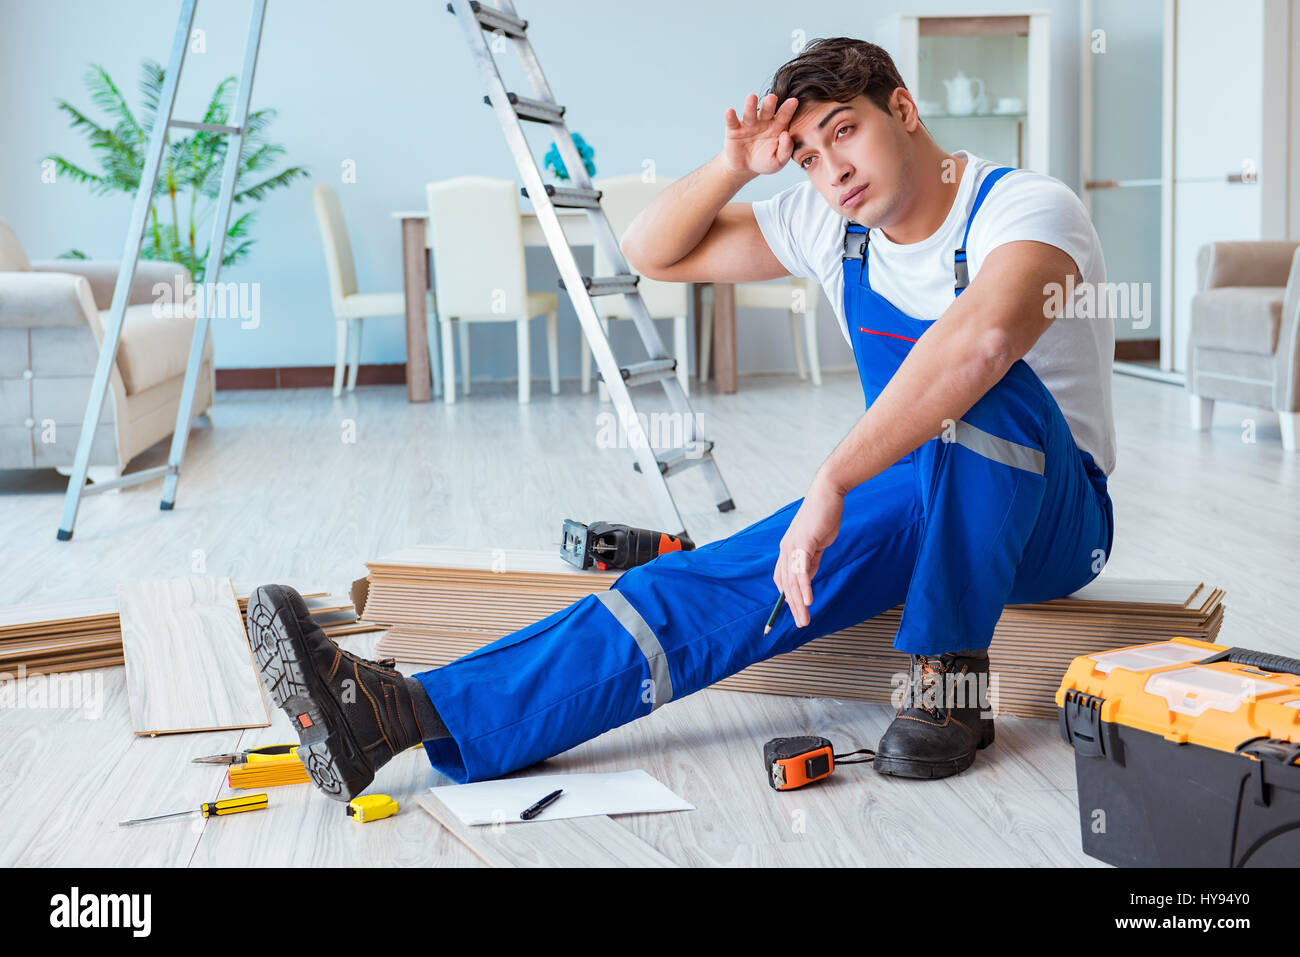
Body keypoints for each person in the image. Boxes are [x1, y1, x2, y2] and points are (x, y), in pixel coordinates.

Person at [246, 36, 1115, 800]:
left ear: (904, 110)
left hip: (1053, 518)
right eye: (807, 155)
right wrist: (738, 164)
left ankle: (948, 684)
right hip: (920, 492)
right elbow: (649, 252)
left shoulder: (1025, 208)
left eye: (844, 131)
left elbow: (983, 341)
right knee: (706, 584)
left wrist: (832, 480)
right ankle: (405, 713)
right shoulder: (831, 225)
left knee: (972, 386)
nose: (832, 170)